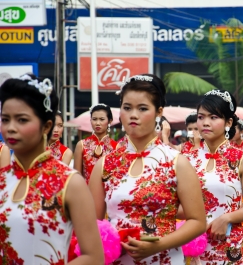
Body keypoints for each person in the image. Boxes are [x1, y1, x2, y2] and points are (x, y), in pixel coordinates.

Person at [89, 74, 206, 264]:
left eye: (142, 108)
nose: (133, 115)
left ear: (159, 111)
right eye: (127, 108)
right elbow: (93, 223)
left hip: (165, 258)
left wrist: (159, 245)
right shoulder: (105, 165)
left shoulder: (177, 162)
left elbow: (198, 222)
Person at [0, 74, 103, 263]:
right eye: (5, 119)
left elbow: (94, 257)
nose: (10, 128)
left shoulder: (70, 183)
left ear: (46, 126)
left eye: (22, 120)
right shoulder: (2, 180)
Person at [184, 89, 243, 264]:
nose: (205, 123)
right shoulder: (187, 160)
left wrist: (226, 218)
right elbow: (179, 204)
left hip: (230, 244)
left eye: (213, 117)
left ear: (229, 122)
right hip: (195, 243)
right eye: (201, 117)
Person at [74, 104, 117, 184]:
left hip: (108, 194)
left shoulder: (117, 147)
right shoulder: (81, 145)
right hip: (87, 193)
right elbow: (77, 177)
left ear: (110, 121)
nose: (97, 123)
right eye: (94, 119)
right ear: (90, 120)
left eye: (102, 119)